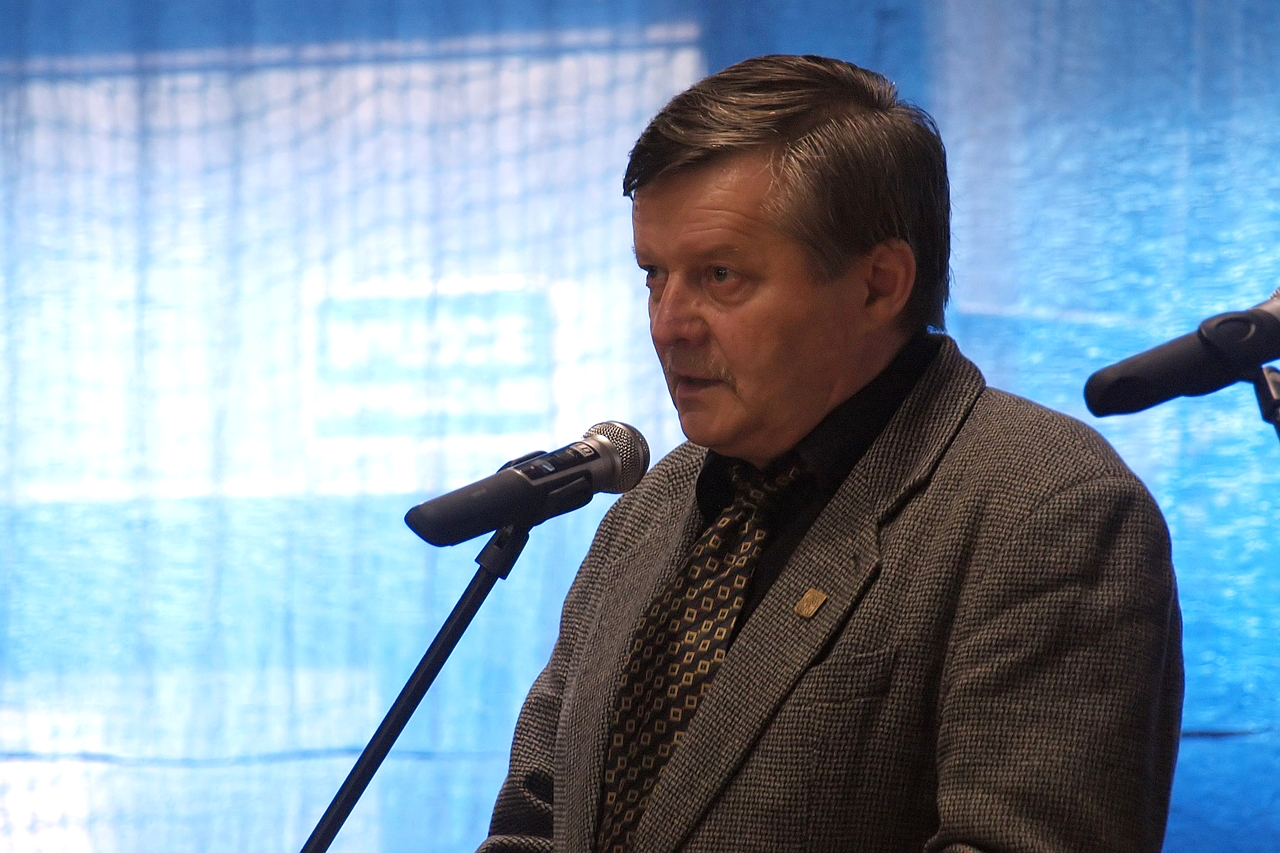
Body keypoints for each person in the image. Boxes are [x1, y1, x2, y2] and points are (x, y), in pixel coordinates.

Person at [478, 55, 1183, 853]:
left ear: (878, 284)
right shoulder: (650, 507)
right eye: (654, 276)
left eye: (720, 275)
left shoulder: (1048, 510)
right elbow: (537, 823)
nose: (668, 324)